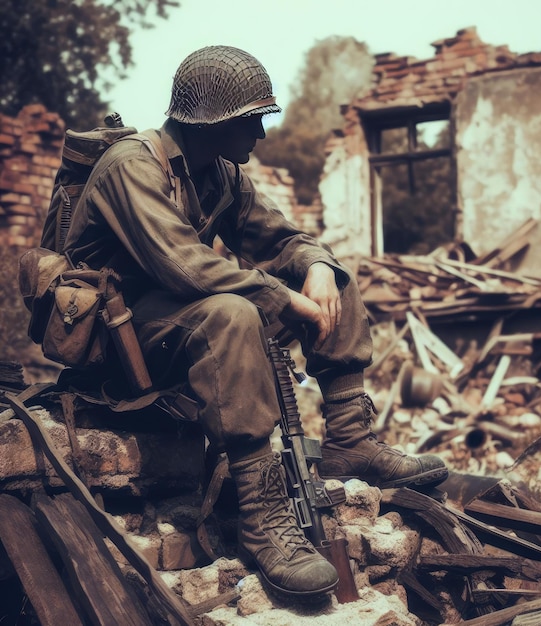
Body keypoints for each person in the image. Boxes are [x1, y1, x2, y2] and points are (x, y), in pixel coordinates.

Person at [62, 45, 448, 598]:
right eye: (252, 121)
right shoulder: (131, 167)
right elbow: (186, 267)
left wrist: (315, 267)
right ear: (213, 124)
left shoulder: (219, 175)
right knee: (235, 312)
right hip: (119, 343)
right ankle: (263, 519)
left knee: (333, 281)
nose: (261, 135)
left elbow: (285, 238)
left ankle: (350, 440)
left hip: (176, 326)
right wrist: (286, 301)